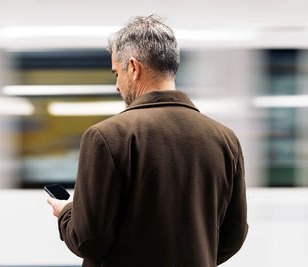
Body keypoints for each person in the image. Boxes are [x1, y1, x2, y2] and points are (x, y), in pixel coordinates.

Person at [47, 15, 248, 267]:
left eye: (116, 73)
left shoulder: (106, 136)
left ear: (133, 68)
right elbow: (233, 234)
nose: (117, 85)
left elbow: (89, 240)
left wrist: (66, 212)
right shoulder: (225, 139)